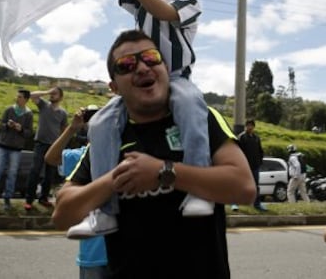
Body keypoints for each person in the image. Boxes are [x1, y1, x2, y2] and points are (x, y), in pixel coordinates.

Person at [52, 29, 256, 278]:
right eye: (126, 65)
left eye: (150, 57)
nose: (141, 68)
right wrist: (116, 178)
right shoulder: (107, 137)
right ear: (114, 87)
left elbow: (244, 188)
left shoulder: (201, 119)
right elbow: (62, 215)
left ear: (166, 69)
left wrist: (164, 171)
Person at [74, 0, 212, 238]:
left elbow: (164, 12)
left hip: (176, 78)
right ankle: (105, 210)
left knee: (191, 107)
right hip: (141, 82)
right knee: (100, 123)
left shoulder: (190, 3)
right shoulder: (141, 1)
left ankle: (201, 189)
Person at [45, 106, 108, 279]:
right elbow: (51, 158)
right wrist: (72, 128)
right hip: (93, 253)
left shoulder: (124, 150)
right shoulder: (83, 156)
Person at [24, 86, 67, 210]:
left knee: (49, 175)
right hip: (40, 144)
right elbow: (32, 95)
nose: (52, 95)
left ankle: (43, 198)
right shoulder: (44, 105)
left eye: (56, 93)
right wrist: (47, 91)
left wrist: (61, 146)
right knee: (35, 171)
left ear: (61, 97)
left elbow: (64, 130)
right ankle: (29, 200)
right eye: (52, 93)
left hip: (53, 146)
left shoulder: (63, 113)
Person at [231, 119, 267, 212]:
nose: (249, 127)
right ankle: (234, 203)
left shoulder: (256, 138)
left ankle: (257, 204)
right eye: (248, 125)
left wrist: (259, 162)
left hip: (255, 166)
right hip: (244, 166)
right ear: (245, 126)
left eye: (251, 125)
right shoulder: (242, 137)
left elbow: (260, 151)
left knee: (255, 186)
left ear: (254, 127)